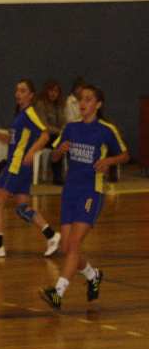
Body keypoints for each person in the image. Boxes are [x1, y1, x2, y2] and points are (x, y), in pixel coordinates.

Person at [40, 85, 129, 309]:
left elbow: (125, 155)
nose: (83, 103)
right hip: (70, 191)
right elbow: (54, 158)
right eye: (81, 99)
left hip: (91, 192)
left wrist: (109, 161)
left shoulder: (106, 130)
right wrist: (60, 151)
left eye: (89, 99)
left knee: (74, 244)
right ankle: (92, 275)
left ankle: (58, 293)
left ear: (98, 104)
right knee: (66, 248)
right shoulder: (70, 128)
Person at [0, 79, 61, 258]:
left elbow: (45, 135)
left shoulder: (30, 113)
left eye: (23, 91)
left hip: (16, 166)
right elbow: (12, 140)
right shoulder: (20, 115)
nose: (18, 94)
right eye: (17, 90)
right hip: (23, 168)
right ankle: (52, 236)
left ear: (31, 95)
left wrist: (31, 151)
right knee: (22, 208)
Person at [34, 80, 66, 184]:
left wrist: (64, 130)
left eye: (56, 91)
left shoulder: (59, 106)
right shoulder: (40, 104)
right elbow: (43, 126)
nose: (53, 93)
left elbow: (63, 122)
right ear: (46, 91)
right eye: (51, 90)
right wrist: (59, 131)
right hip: (42, 137)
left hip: (56, 136)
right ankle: (57, 176)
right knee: (59, 141)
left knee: (67, 141)